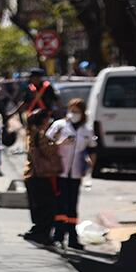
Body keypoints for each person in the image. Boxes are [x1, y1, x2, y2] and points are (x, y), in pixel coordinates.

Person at [46, 97, 97, 249]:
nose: (73, 114)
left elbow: (93, 149)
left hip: (75, 173)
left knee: (72, 205)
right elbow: (47, 143)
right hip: (59, 171)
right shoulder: (59, 126)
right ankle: (58, 235)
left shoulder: (87, 130)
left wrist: (90, 166)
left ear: (82, 113)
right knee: (60, 205)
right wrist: (60, 143)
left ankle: (73, 238)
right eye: (71, 111)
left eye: (77, 111)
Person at [22, 110, 61, 245]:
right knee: (47, 206)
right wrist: (59, 144)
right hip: (40, 174)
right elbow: (48, 152)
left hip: (32, 174)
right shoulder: (40, 135)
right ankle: (42, 233)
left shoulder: (30, 133)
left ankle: (37, 231)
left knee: (38, 206)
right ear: (43, 120)